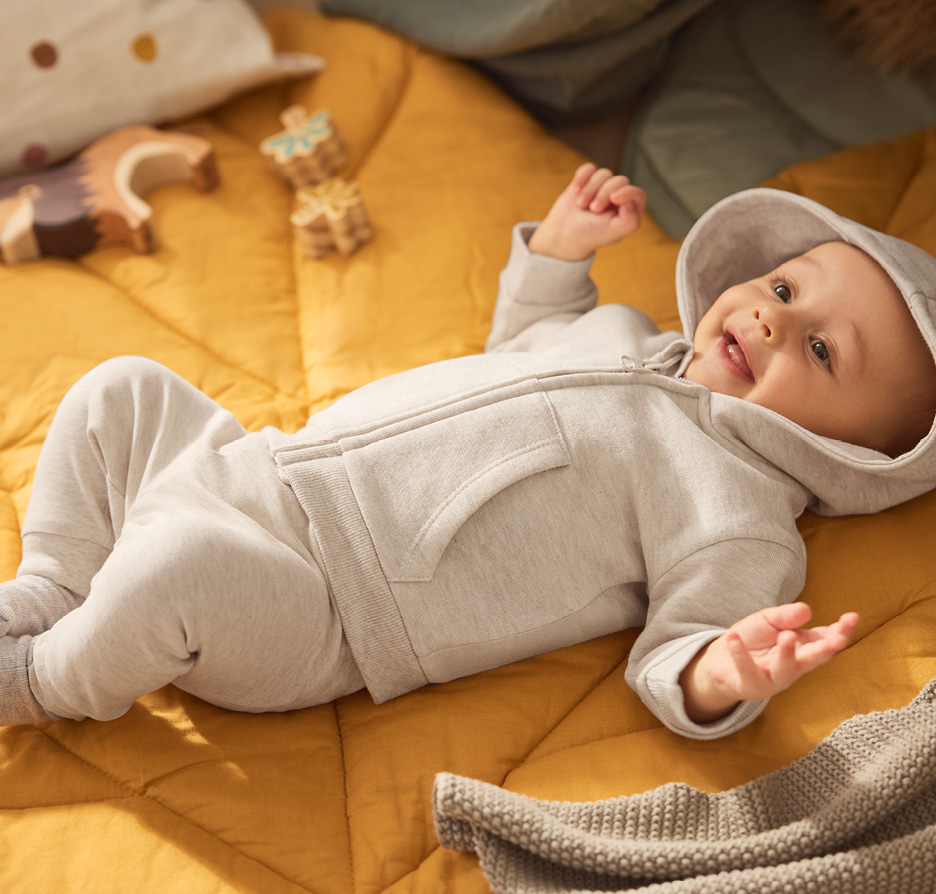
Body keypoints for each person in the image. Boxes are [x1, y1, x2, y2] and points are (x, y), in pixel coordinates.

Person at [1, 164, 935, 737]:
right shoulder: (618, 325)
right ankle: (58, 589)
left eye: (819, 349)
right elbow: (523, 341)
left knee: (176, 569)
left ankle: (43, 679)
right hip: (261, 467)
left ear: (843, 454)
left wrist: (723, 674)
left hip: (324, 605)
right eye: (783, 284)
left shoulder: (739, 516)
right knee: (120, 389)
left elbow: (679, 648)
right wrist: (559, 257)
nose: (775, 316)